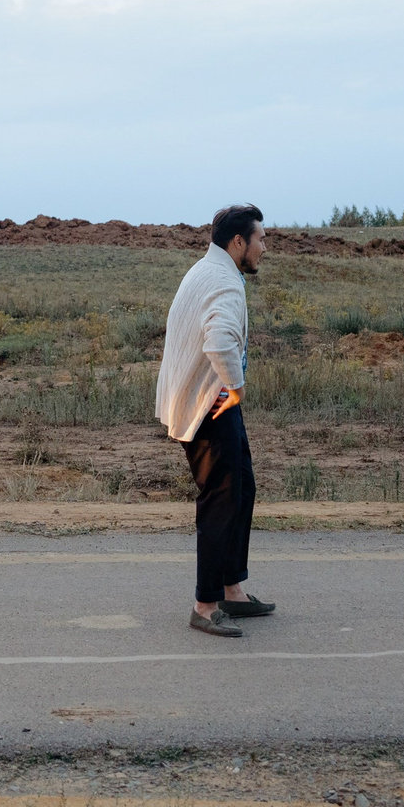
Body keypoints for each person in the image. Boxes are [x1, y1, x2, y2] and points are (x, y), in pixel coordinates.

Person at [156, 203, 271, 637]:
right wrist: (236, 387)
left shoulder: (207, 269)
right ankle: (205, 606)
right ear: (238, 242)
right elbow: (220, 340)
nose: (264, 248)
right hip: (210, 404)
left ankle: (231, 589)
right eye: (260, 239)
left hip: (211, 399)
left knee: (241, 489)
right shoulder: (223, 281)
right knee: (221, 500)